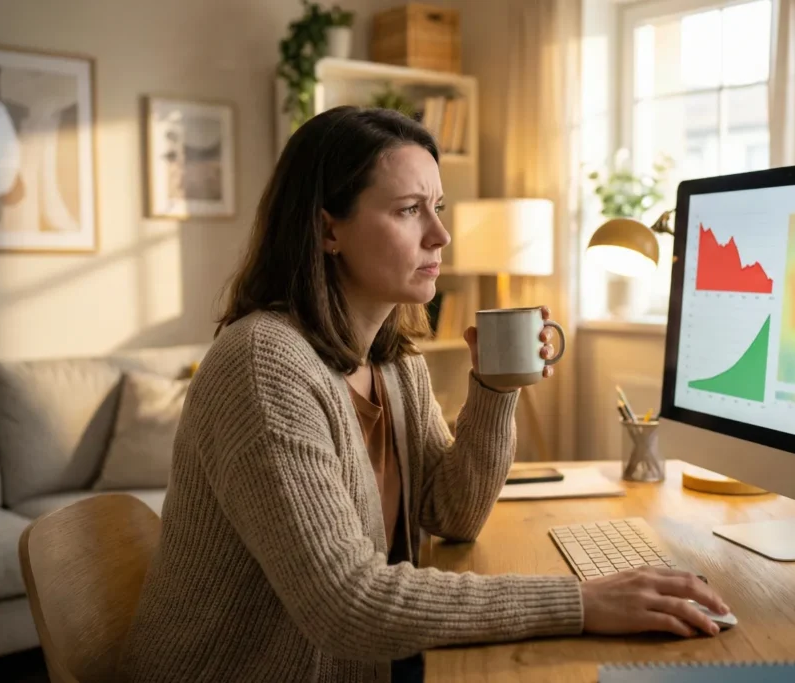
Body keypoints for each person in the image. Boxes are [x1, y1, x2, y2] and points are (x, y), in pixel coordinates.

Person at [118, 106, 730, 683]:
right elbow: (348, 604)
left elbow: (451, 514)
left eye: (437, 207)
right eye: (410, 210)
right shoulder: (263, 365)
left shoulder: (393, 358)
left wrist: (493, 388)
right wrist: (582, 601)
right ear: (328, 229)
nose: (440, 235)